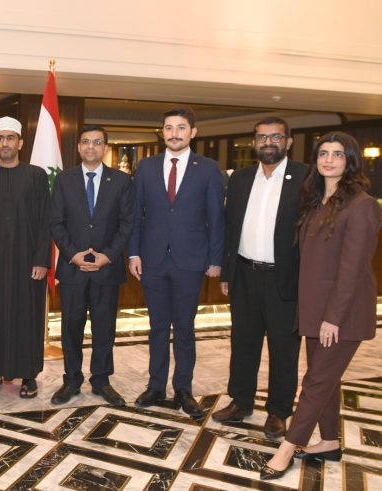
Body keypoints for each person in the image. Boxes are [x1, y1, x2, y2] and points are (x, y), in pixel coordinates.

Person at [261, 132, 381, 480]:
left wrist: (333, 318)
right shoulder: (316, 200)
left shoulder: (362, 205)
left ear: (350, 161)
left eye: (338, 154)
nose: (329, 160)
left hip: (342, 315)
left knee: (314, 382)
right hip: (314, 309)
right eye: (323, 153)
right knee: (324, 378)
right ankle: (329, 440)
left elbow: (352, 268)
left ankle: (288, 447)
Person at [213, 117, 308, 439]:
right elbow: (230, 229)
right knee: (243, 343)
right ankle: (240, 402)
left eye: (276, 137)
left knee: (284, 348)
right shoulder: (240, 179)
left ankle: (278, 412)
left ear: (288, 141)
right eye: (262, 137)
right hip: (244, 275)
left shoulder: (306, 178)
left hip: (285, 278)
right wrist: (227, 272)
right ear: (254, 142)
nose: (269, 142)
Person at [127, 107, 225, 417]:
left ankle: (183, 388)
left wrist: (215, 259)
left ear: (192, 132)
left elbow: (216, 218)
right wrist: (133, 253)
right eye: (168, 128)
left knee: (184, 328)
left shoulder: (208, 169)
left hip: (190, 261)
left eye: (181, 127)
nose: (174, 133)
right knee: (157, 327)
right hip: (152, 260)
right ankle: (155, 386)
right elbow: (135, 214)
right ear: (162, 132)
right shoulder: (146, 167)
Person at [49, 125, 134, 406]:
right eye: (86, 142)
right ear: (78, 147)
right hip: (72, 268)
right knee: (71, 328)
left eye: (97, 142)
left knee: (104, 329)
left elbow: (126, 224)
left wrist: (107, 256)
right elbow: (56, 223)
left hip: (106, 269)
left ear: (105, 147)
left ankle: (101, 381)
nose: (91, 147)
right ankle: (71, 380)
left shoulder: (121, 181)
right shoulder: (64, 180)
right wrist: (72, 254)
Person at [0, 116, 51, 399]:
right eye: (0, 138)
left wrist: (41, 259)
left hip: (28, 261)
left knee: (27, 315)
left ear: (20, 143)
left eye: (10, 138)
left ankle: (28, 375)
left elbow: (45, 221)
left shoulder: (36, 176)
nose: (5, 143)